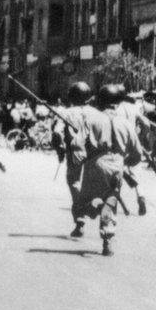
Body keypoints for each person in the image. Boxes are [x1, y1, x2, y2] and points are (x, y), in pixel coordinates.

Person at [68, 84, 143, 256]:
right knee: (112, 199)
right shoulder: (126, 123)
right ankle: (107, 240)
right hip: (117, 165)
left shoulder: (92, 119)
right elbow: (137, 153)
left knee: (84, 202)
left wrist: (80, 159)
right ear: (117, 102)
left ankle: (96, 205)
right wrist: (125, 163)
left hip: (95, 164)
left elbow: (76, 144)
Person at [56, 82, 103, 237]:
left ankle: (82, 215)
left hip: (75, 152)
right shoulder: (97, 113)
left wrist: (59, 150)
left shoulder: (66, 112)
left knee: (74, 183)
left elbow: (57, 133)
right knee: (91, 184)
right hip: (95, 154)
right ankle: (82, 217)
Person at [109, 84, 148, 215]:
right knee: (135, 171)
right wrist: (140, 136)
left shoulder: (115, 109)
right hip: (133, 142)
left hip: (119, 144)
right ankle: (141, 196)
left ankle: (114, 201)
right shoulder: (134, 108)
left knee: (116, 174)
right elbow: (146, 124)